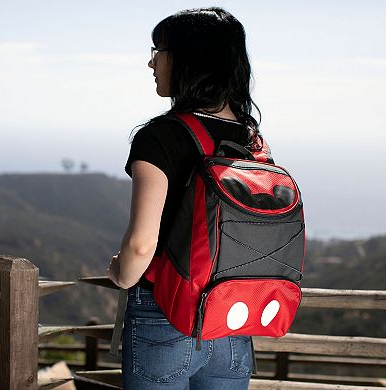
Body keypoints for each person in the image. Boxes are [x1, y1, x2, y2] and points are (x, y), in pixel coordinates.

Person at [107, 7, 262, 389]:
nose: (151, 62)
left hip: (166, 312)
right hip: (231, 315)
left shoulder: (160, 137)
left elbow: (142, 245)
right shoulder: (251, 140)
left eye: (159, 50)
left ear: (188, 59)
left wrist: (119, 273)